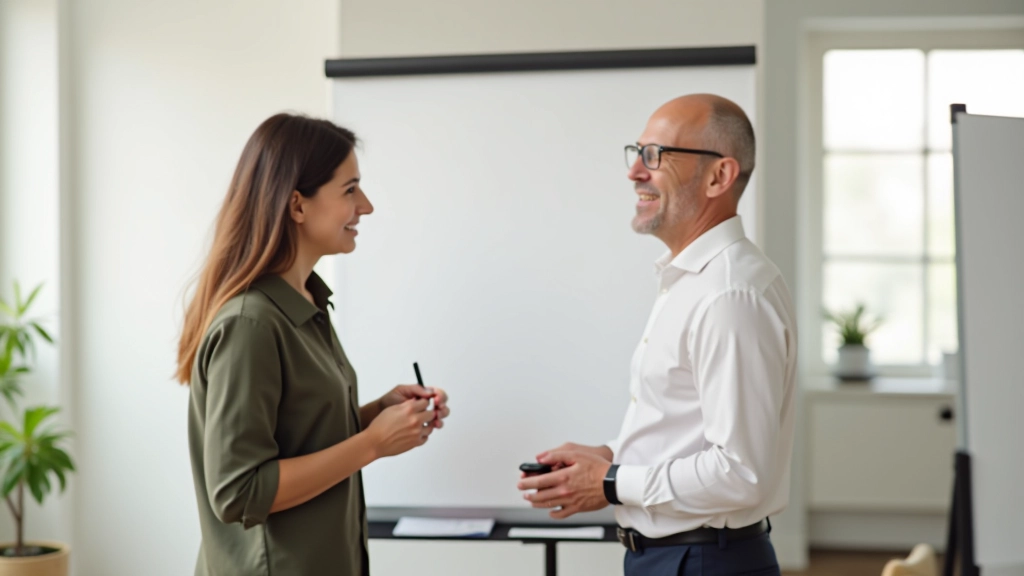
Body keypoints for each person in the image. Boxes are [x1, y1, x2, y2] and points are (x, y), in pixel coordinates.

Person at [517, 94, 797, 576]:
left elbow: (740, 472)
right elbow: (691, 430)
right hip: (677, 557)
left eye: (656, 156)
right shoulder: (693, 280)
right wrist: (610, 458)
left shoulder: (728, 294)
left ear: (719, 176)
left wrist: (609, 482)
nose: (635, 173)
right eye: (637, 152)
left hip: (703, 561)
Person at [175, 113, 450, 576]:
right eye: (350, 190)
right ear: (297, 206)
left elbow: (295, 437)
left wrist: (377, 414)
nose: (366, 206)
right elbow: (240, 490)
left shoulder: (307, 304)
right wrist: (371, 443)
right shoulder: (251, 324)